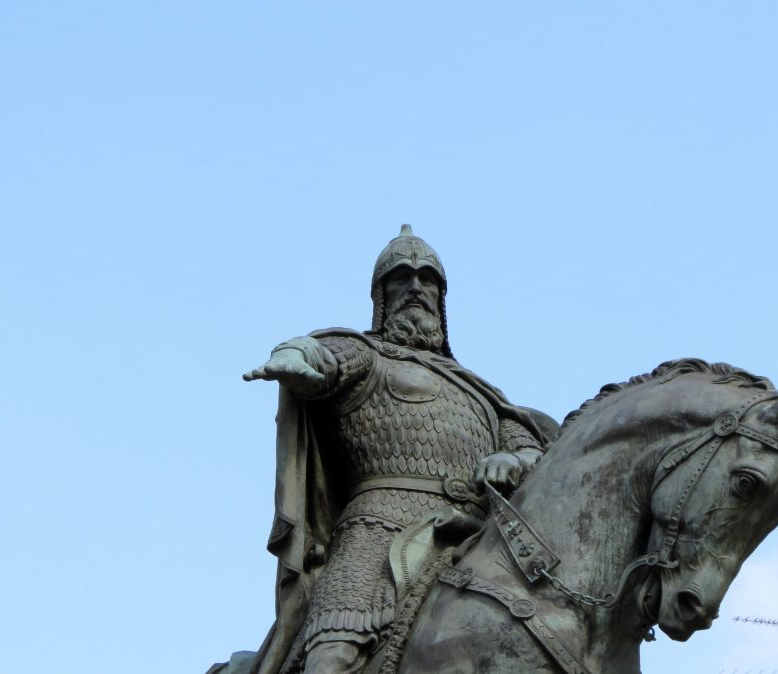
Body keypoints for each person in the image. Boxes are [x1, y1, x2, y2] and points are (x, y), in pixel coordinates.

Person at [236, 225, 551, 674]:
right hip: (377, 532)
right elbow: (324, 357)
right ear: (381, 296)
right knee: (333, 650)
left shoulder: (481, 393)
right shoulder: (368, 356)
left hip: (477, 535)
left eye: (428, 280)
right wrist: (297, 357)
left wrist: (514, 459)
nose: (416, 287)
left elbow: (532, 452)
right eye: (401, 278)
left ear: (442, 298)